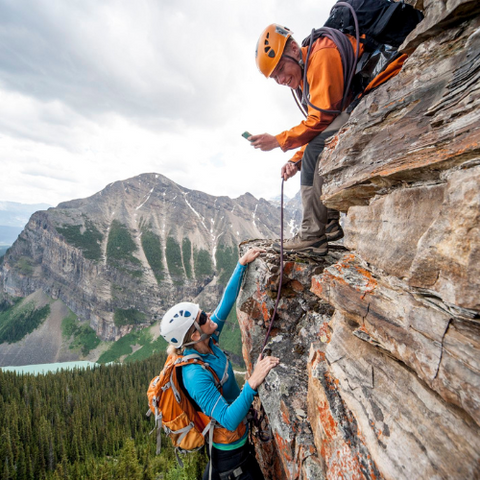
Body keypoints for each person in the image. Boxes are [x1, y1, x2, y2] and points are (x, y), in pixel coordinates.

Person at [249, 24, 405, 255]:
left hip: (385, 85)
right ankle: (329, 223)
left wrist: (279, 141)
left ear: (294, 48)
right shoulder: (305, 72)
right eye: (275, 77)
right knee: (314, 150)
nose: (281, 79)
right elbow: (321, 124)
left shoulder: (321, 55)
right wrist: (295, 161)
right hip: (361, 101)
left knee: (315, 151)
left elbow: (321, 119)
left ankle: (312, 235)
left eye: (281, 68)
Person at [160, 246, 279, 480]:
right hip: (231, 458)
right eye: (202, 318)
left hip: (236, 446)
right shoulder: (195, 375)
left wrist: (242, 264)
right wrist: (252, 383)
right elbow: (227, 419)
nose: (208, 315)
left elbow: (226, 301)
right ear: (194, 335)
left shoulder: (208, 339)